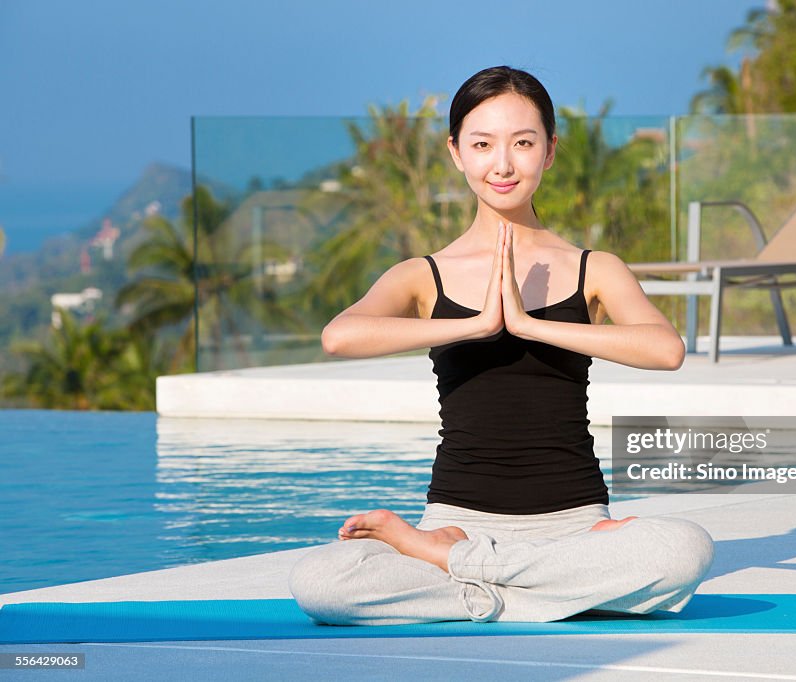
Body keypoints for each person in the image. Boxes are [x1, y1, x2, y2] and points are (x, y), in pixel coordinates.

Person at [289, 66, 714, 625]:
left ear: (550, 150)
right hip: (458, 514)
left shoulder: (594, 269)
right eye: (483, 144)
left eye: (523, 143)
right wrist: (473, 325)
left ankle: (456, 567)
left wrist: (533, 326)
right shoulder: (423, 274)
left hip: (574, 526)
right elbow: (339, 337)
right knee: (321, 583)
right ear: (456, 152)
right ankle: (542, 589)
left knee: (684, 549)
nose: (503, 164)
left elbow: (666, 349)